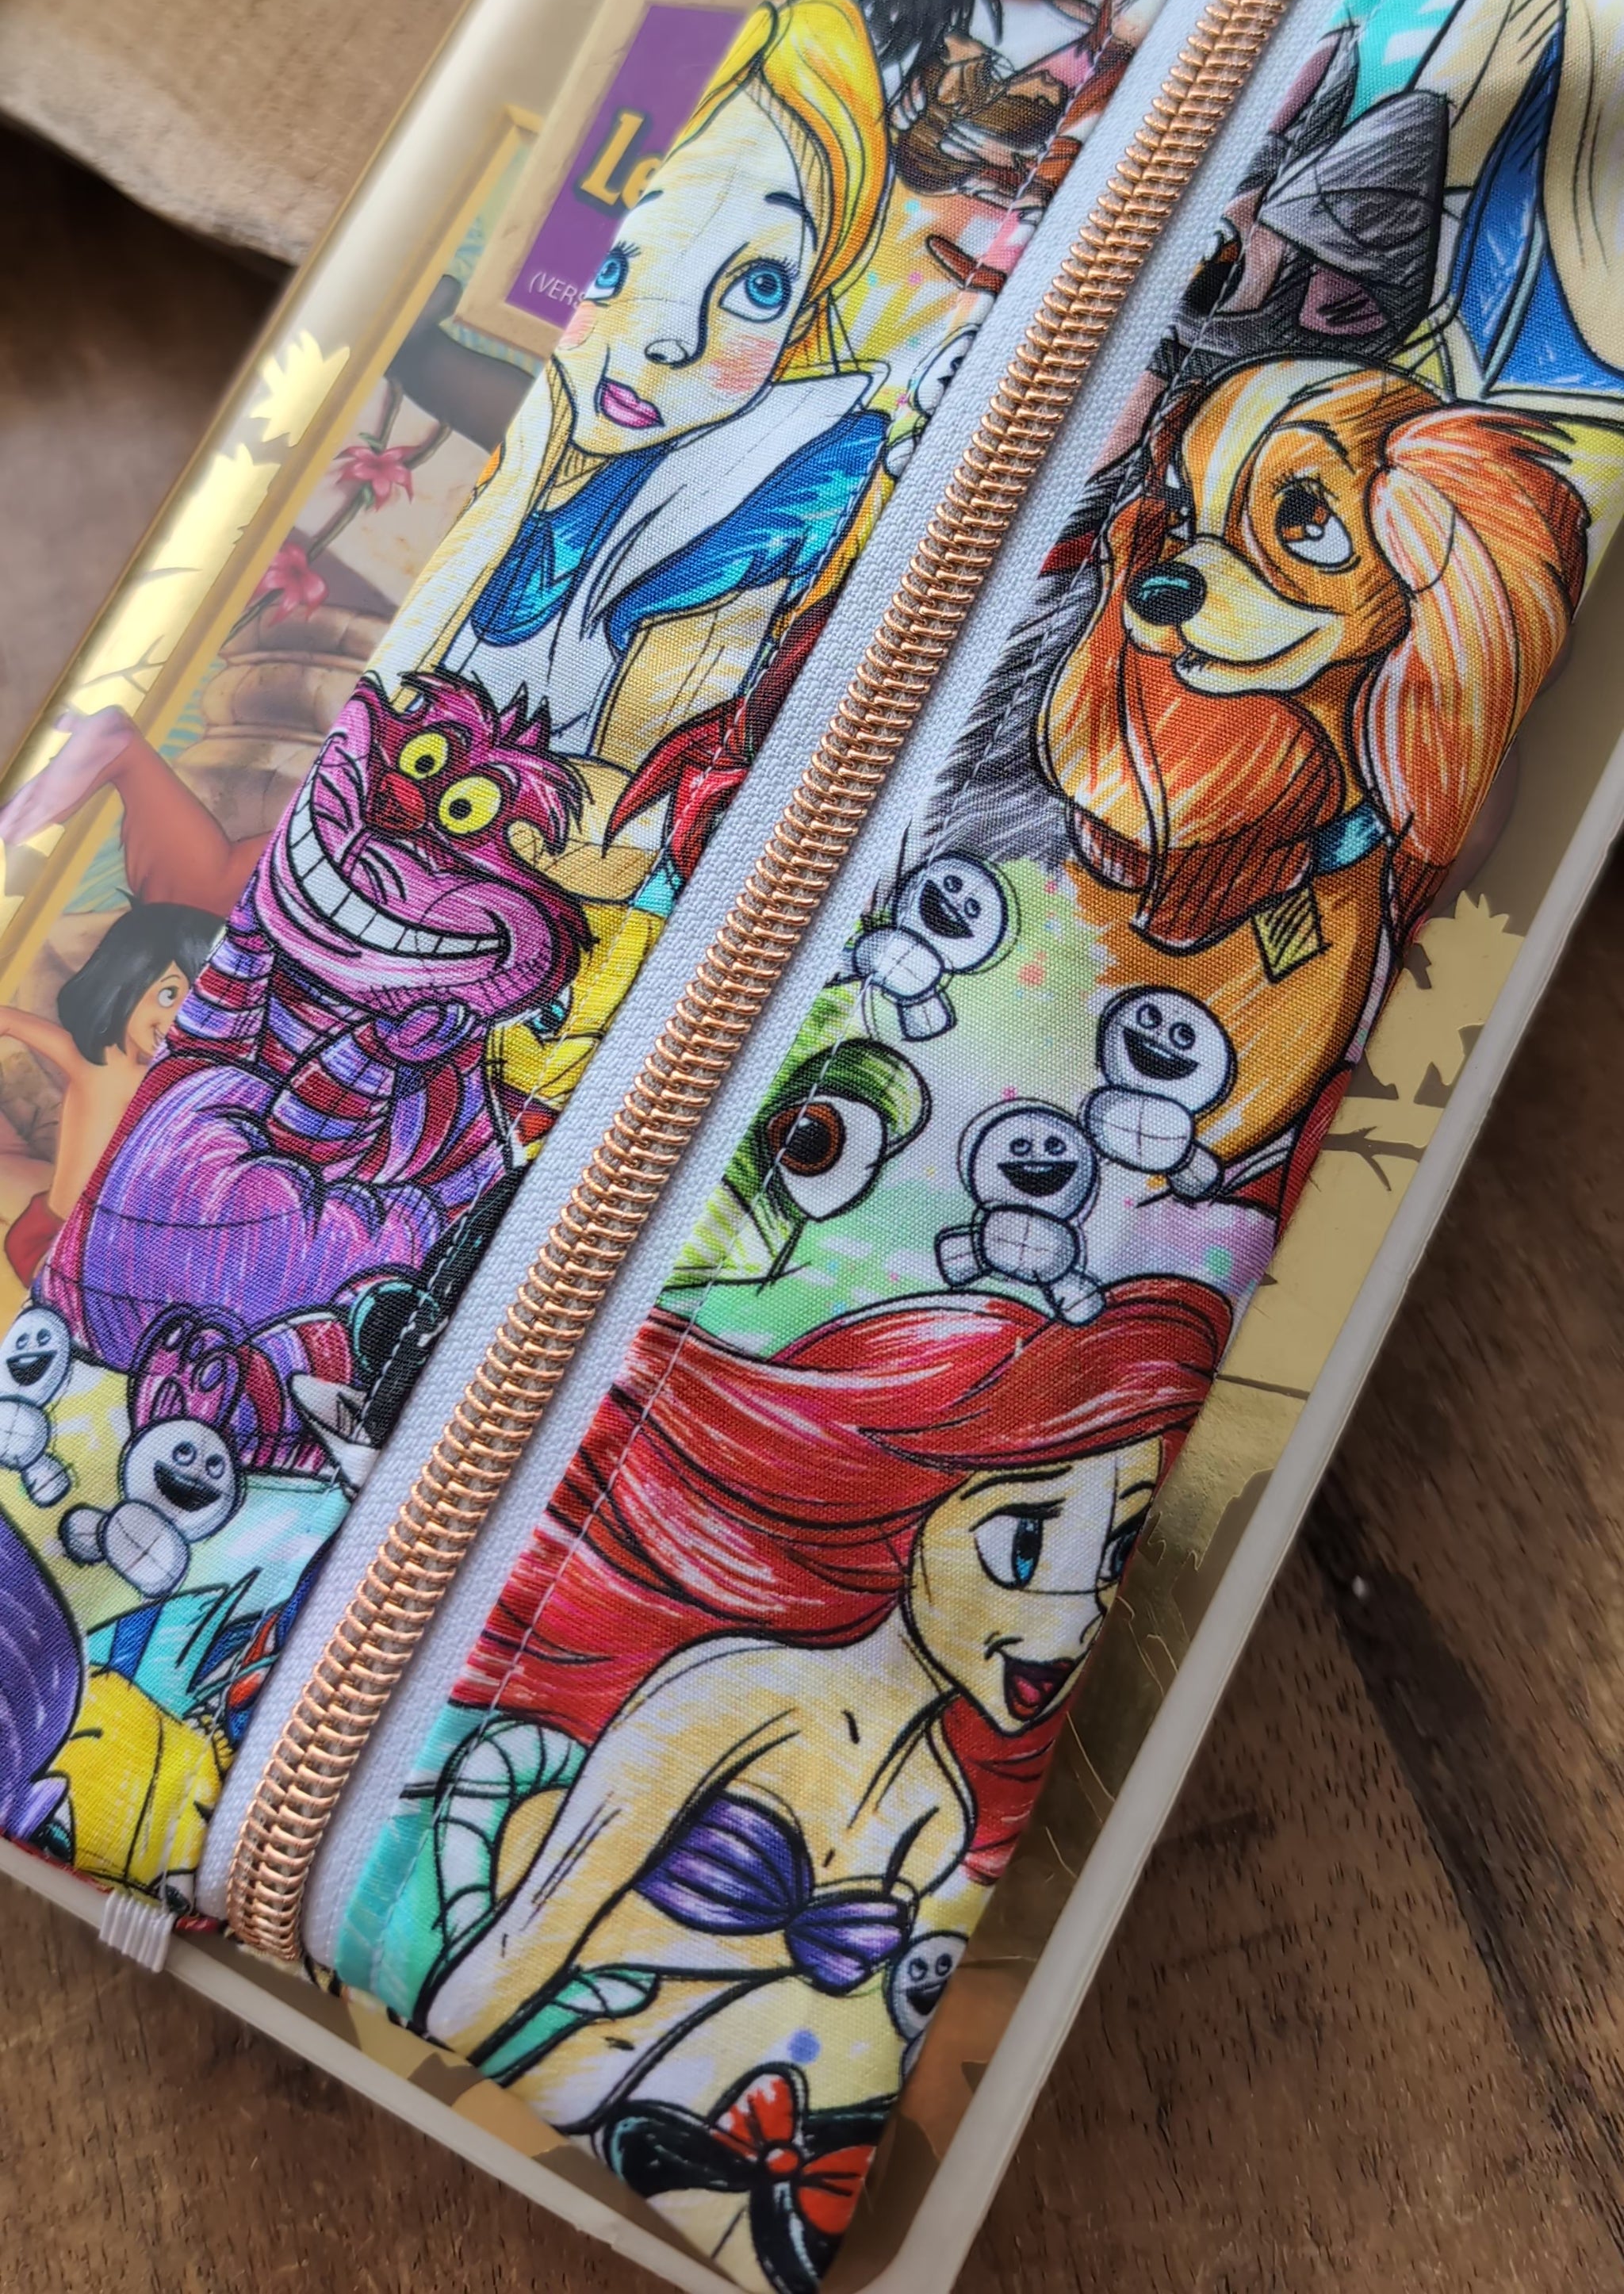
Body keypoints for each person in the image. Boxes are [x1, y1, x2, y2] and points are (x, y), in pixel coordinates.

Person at [355, 1278, 1227, 2155]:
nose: (1073, 1622)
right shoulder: (736, 1693)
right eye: (1024, 1544)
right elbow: (530, 1932)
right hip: (497, 2020)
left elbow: (739, 2023)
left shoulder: (941, 1814)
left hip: (650, 2114)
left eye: (1113, 1550)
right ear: (907, 1515)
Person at [379, 0, 895, 907]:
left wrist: (500, 800)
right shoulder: (536, 428)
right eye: (626, 257)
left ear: (808, 310)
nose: (671, 339)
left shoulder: (735, 501)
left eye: (760, 286)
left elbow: (622, 831)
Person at [0, 902, 220, 1287]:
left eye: (198, 1007)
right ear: (129, 975)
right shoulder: (95, 1062)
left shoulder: (177, 1088)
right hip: (54, 1238)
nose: (176, 1021)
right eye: (169, 995)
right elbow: (9, 1022)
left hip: (105, 1241)